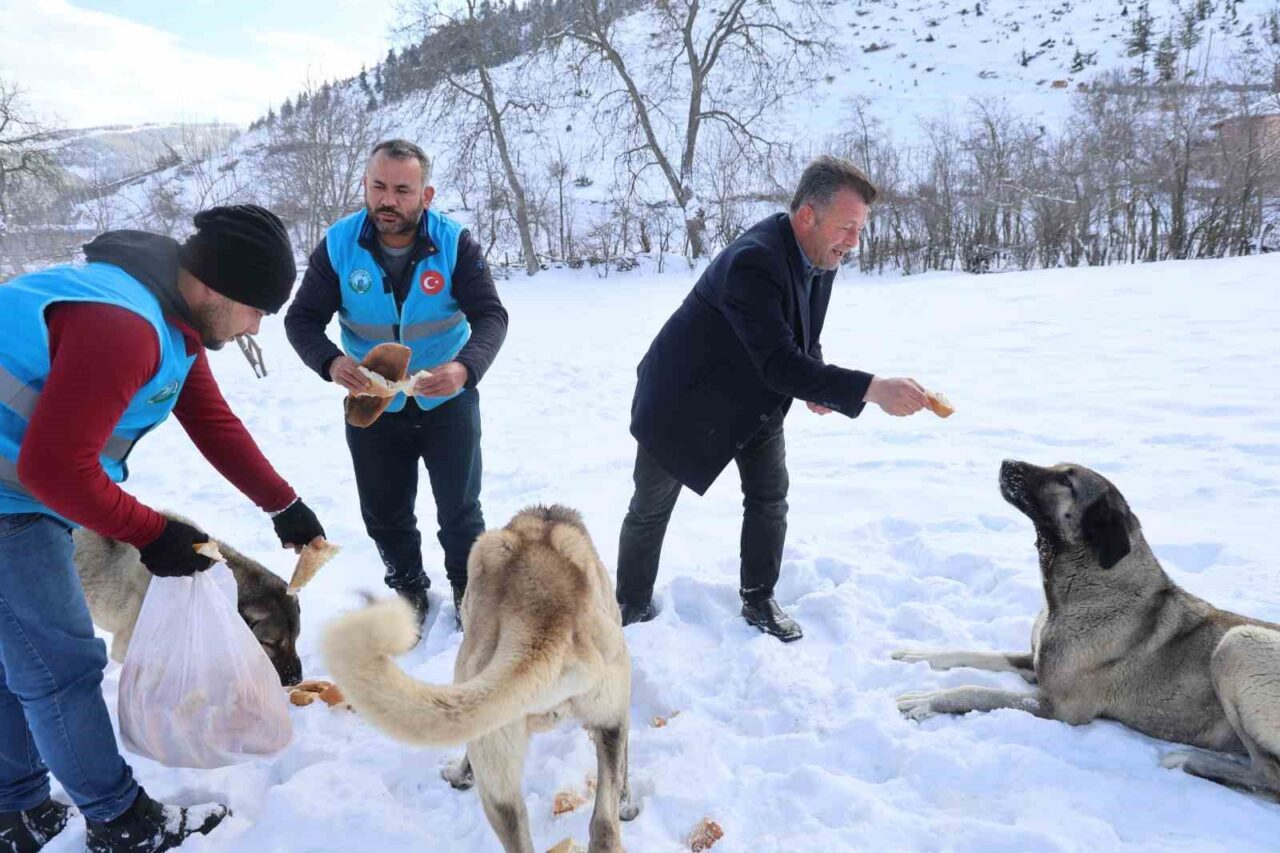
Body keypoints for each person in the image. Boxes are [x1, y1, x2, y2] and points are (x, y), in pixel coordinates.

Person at [0, 204, 327, 852]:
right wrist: (152, 533)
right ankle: (125, 823)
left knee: (19, 657)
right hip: (17, 496)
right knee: (60, 664)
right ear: (213, 287)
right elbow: (52, 466)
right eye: (256, 307)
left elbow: (211, 420)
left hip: (21, 489)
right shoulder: (122, 325)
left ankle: (17, 808)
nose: (257, 324)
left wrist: (281, 503)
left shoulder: (163, 317)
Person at [616, 155, 929, 643]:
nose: (854, 242)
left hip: (757, 399)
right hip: (683, 403)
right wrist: (871, 389)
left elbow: (800, 331)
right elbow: (780, 362)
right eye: (847, 227)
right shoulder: (754, 261)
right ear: (807, 215)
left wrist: (817, 375)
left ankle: (759, 596)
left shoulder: (819, 255)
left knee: (769, 498)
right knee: (651, 507)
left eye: (859, 229)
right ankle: (630, 603)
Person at [285, 139, 508, 630]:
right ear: (365, 186)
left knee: (460, 509)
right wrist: (330, 361)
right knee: (384, 510)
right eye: (378, 186)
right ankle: (407, 587)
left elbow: (491, 316)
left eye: (402, 190)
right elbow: (301, 320)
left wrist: (464, 368)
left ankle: (468, 589)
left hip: (445, 397)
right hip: (372, 402)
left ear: (425, 196)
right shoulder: (341, 244)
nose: (388, 200)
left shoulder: (453, 242)